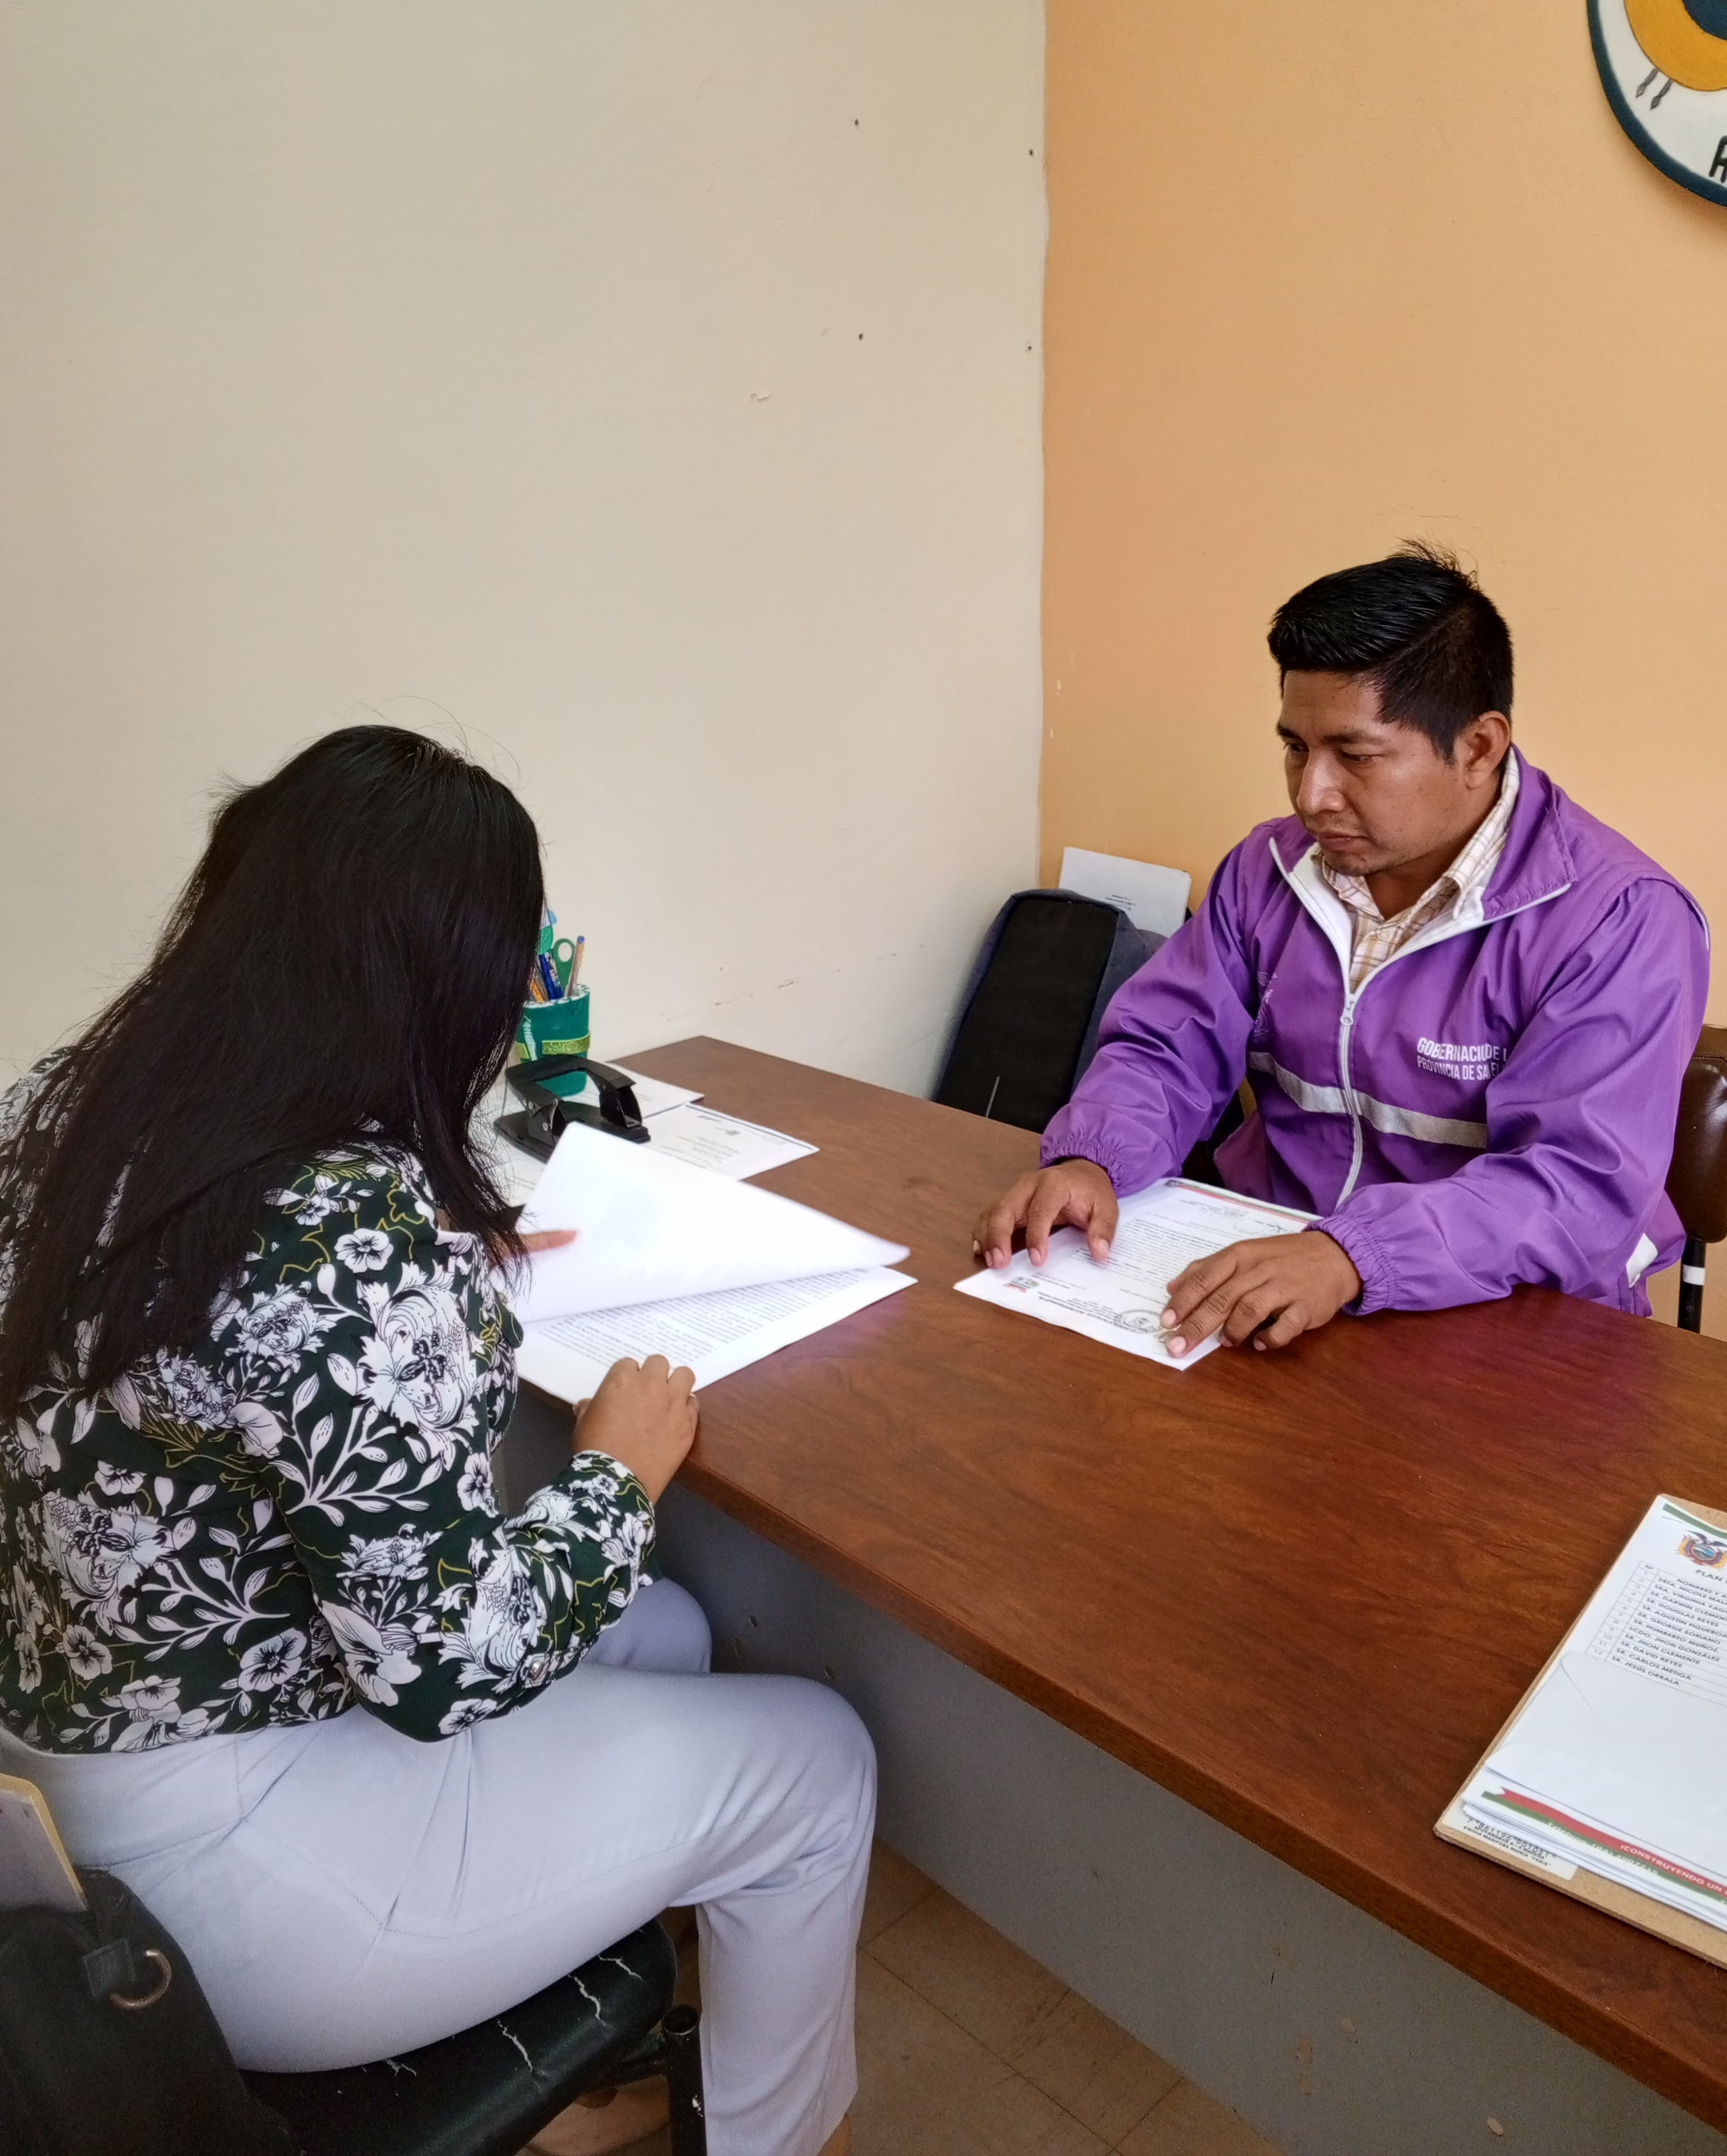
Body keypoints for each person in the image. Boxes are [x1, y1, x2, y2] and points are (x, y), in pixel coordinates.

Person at [0, 726, 871, 2156]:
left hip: (69, 1782)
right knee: (818, 1759)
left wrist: (429, 1287)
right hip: (227, 1885)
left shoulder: (67, 1105)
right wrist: (615, 1474)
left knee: (666, 1630)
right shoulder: (349, 1226)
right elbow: (443, 1665)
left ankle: (571, 2063)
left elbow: (231, 1351)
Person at [976, 546, 1708, 1355]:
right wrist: (1095, 1159)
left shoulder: (1622, 920)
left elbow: (1574, 1185)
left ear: (1478, 747)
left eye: (1355, 756)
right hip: (1270, 1285)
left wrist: (1353, 1254)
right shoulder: (1268, 868)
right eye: (1296, 747)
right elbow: (1165, 1046)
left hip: (1505, 1328)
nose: (1310, 794)